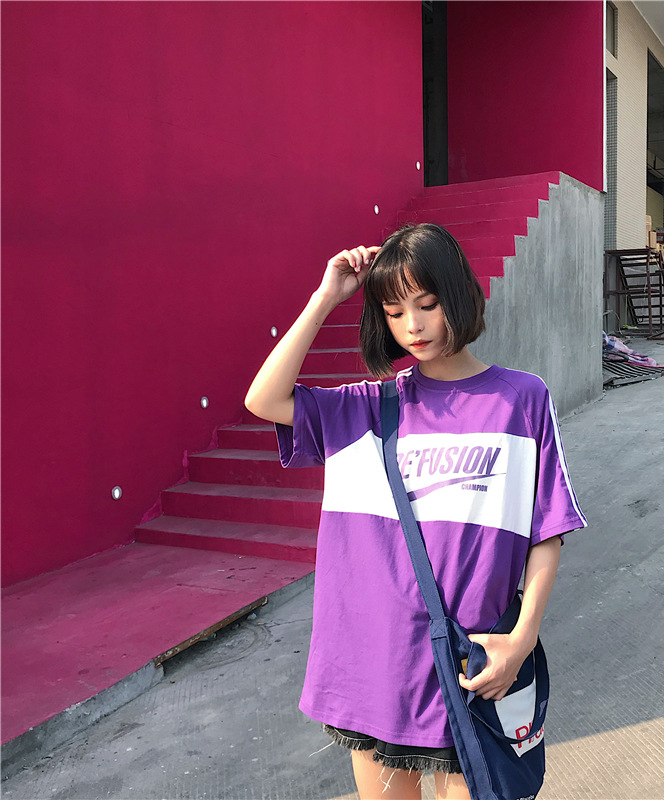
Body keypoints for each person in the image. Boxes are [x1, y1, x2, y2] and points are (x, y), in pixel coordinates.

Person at [245, 223, 586, 800]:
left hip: (471, 669)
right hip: (374, 668)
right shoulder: (366, 408)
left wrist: (522, 638)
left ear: (459, 295)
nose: (413, 326)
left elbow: (546, 530)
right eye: (395, 311)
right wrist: (326, 296)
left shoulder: (521, 399)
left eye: (427, 305)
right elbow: (264, 399)